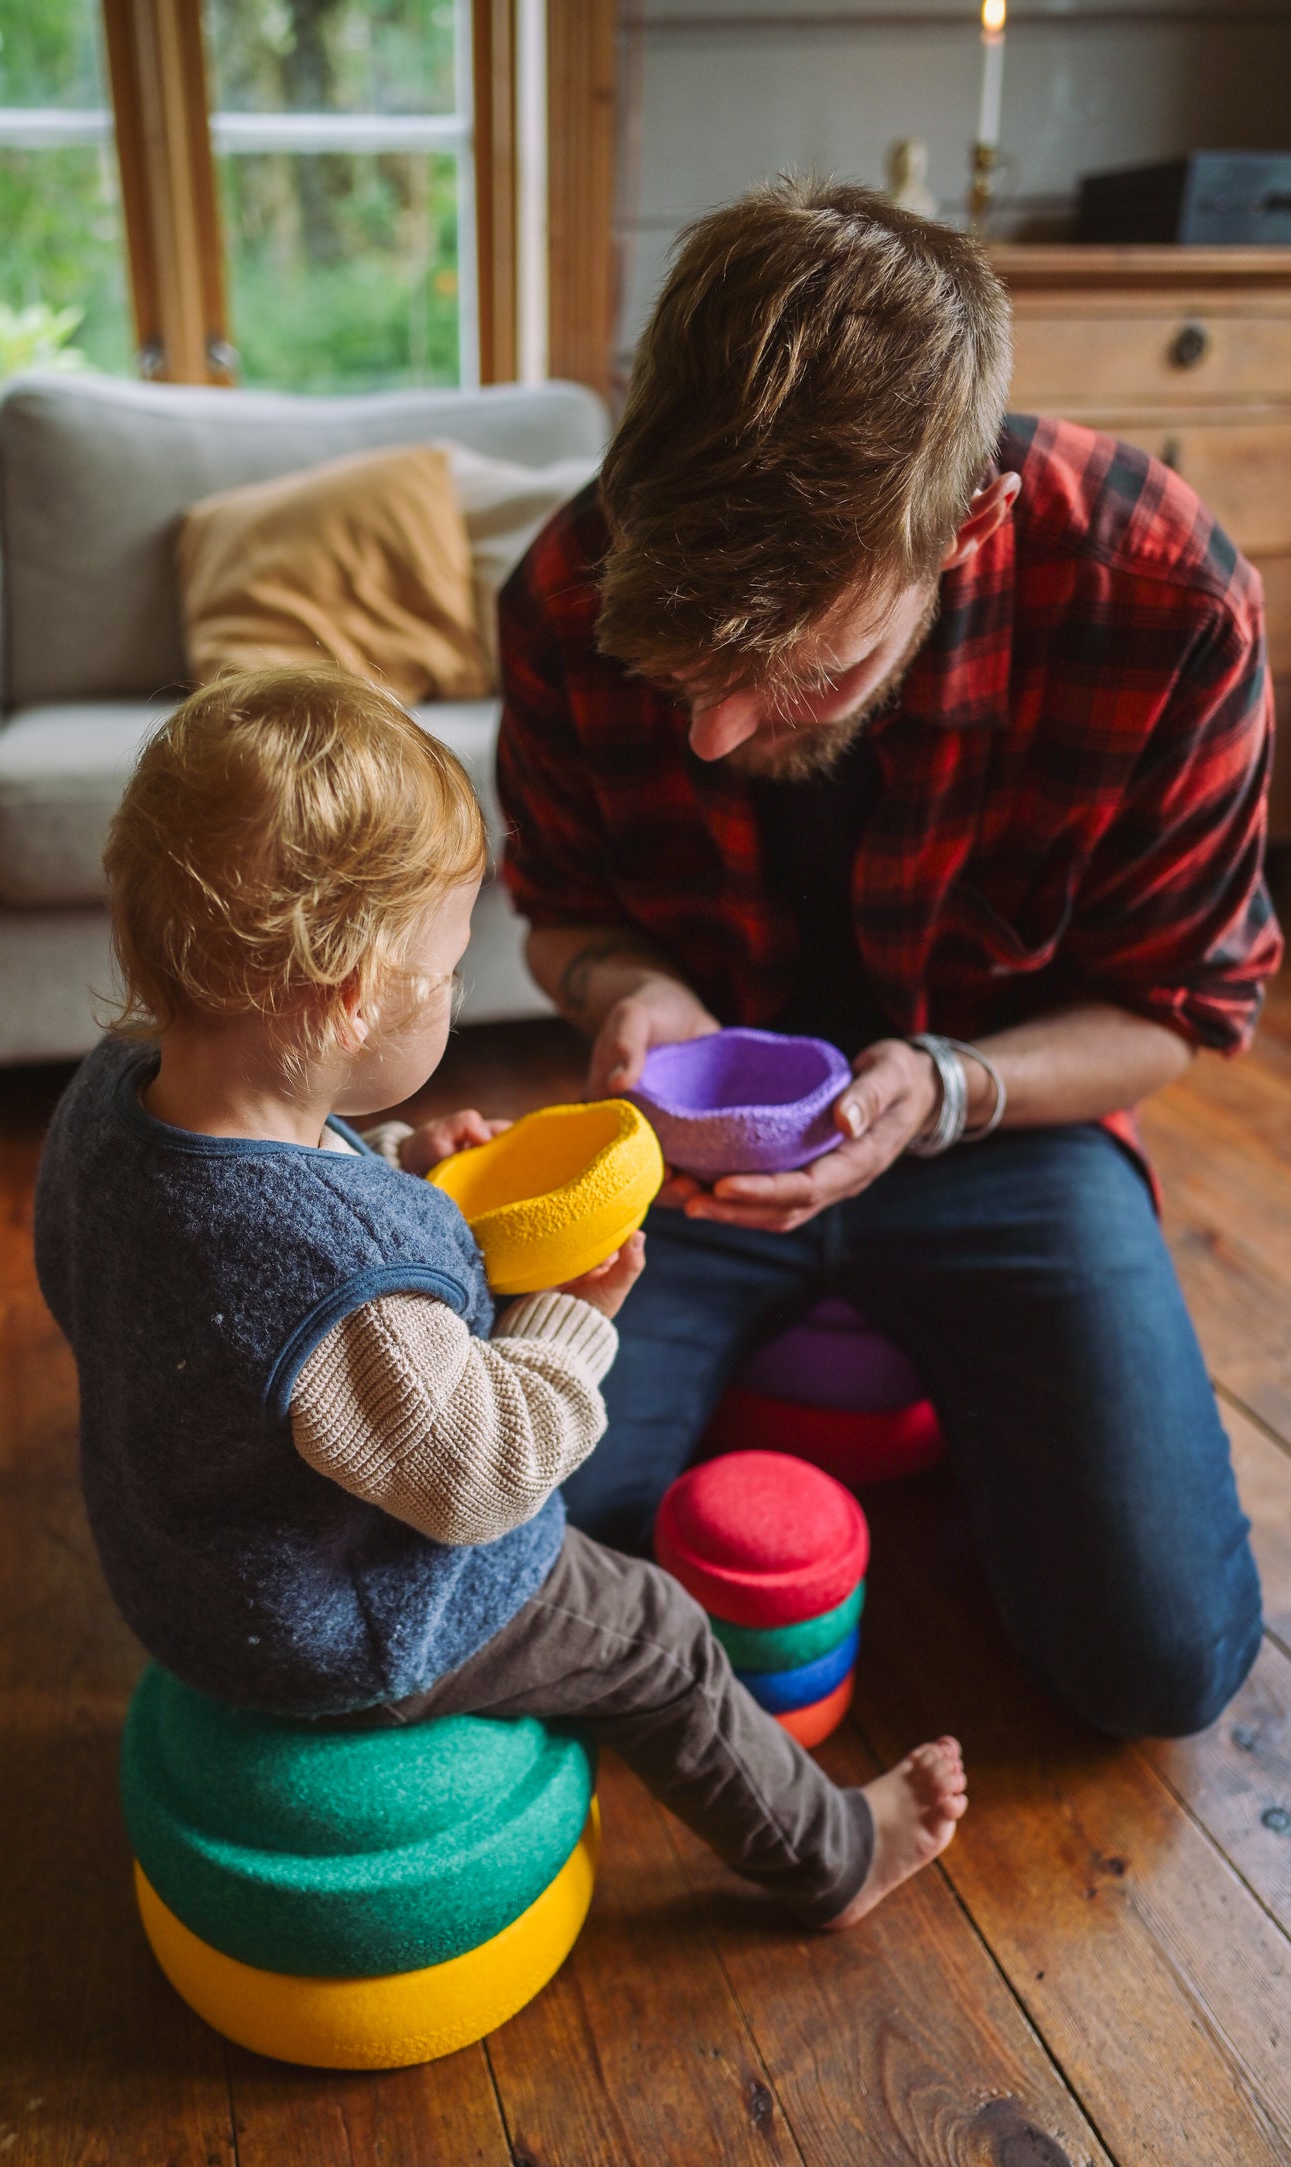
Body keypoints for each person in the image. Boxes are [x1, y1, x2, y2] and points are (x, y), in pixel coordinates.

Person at [496, 178, 1283, 1741]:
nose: (715, 732)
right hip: (682, 1158)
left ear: (967, 523)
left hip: (1002, 1133)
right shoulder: (567, 583)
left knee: (1159, 1662)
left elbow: (1180, 1008)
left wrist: (947, 1088)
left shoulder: (1166, 596)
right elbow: (563, 909)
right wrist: (622, 989)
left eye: (799, 668)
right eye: (689, 676)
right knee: (489, 1561)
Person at [32, 663, 967, 1928]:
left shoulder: (114, 1095)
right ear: (355, 990)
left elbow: (212, 1243)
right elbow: (483, 1478)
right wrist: (568, 1319)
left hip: (180, 1567)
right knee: (654, 1634)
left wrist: (416, 1169)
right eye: (449, 968)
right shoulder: (338, 1280)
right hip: (350, 1620)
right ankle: (833, 1855)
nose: (455, 993)